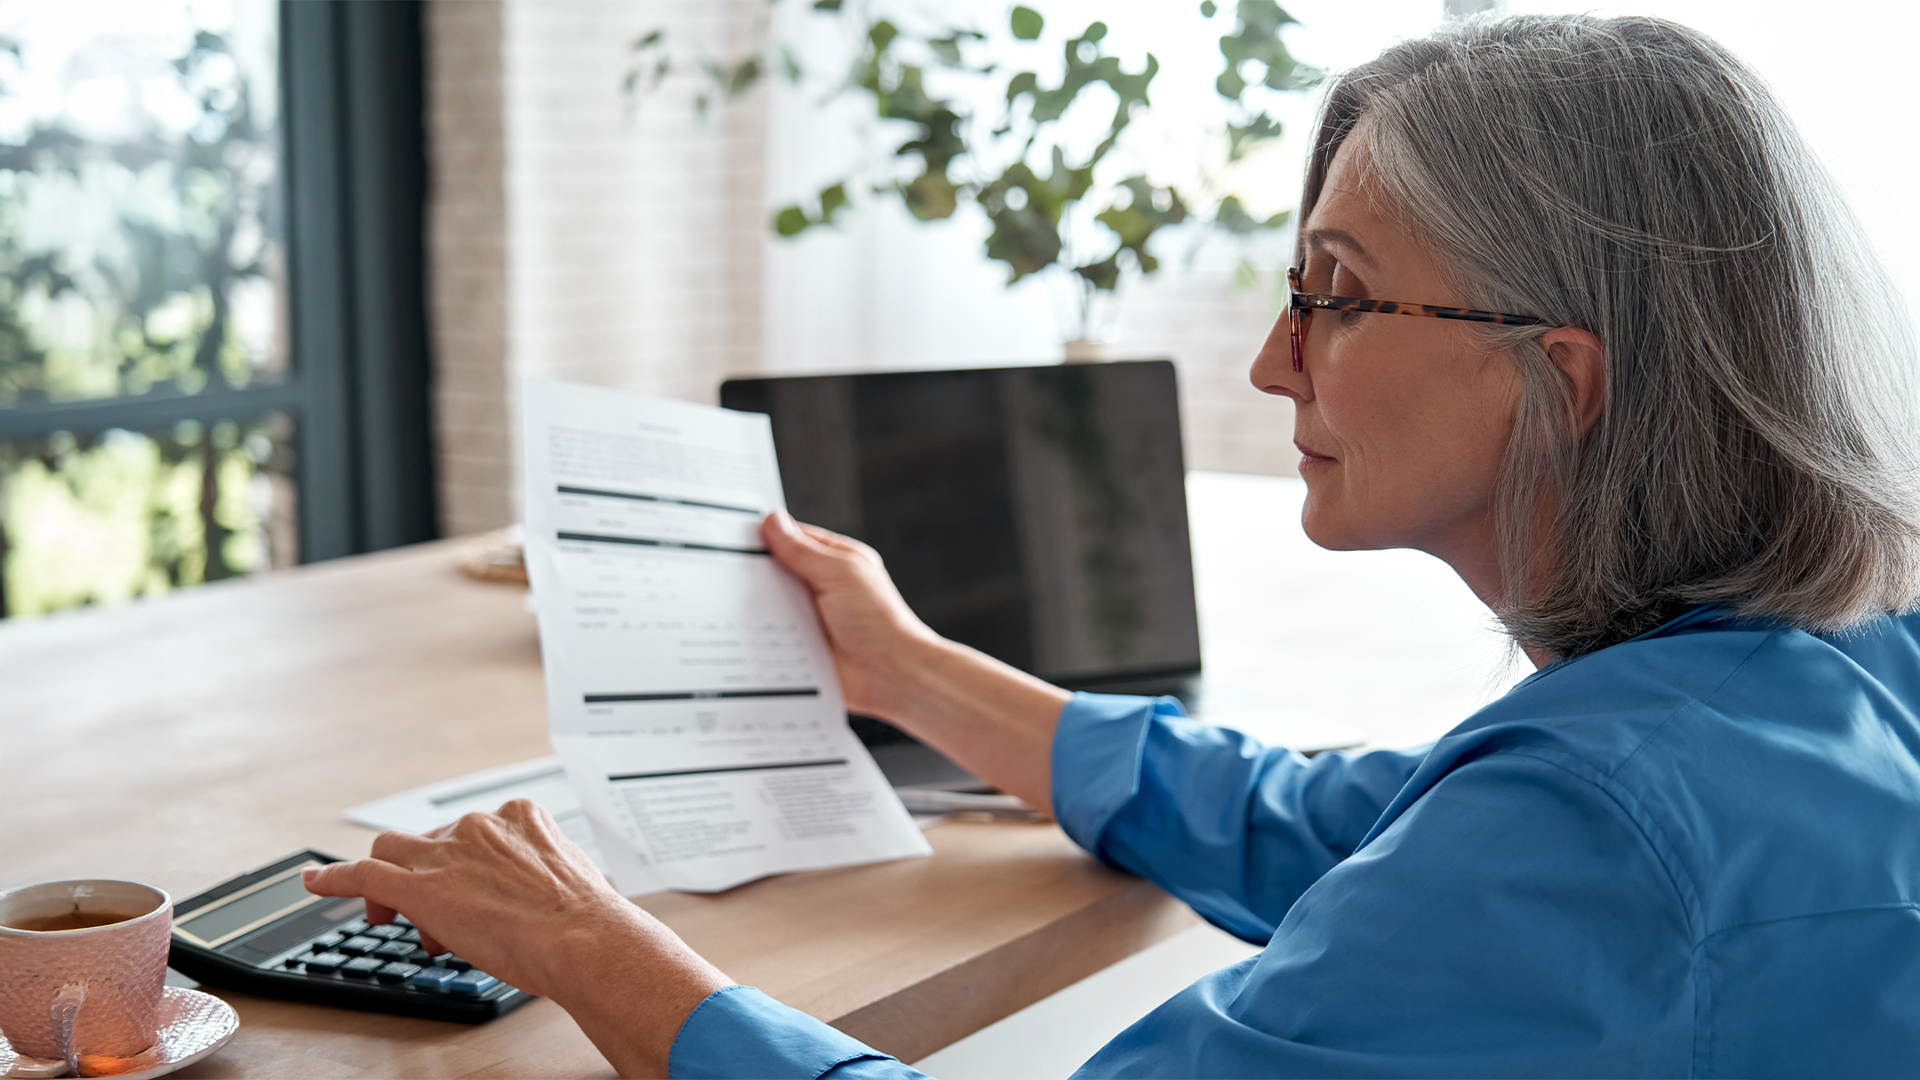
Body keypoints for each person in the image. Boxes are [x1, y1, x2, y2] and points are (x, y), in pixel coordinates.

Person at [305, 13, 1920, 1078]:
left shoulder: (1593, 832)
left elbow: (1493, 868)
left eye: (1340, 295)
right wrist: (913, 671)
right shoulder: (1831, 668)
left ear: (1559, 382)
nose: (1274, 363)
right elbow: (1326, 827)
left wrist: (598, 951)